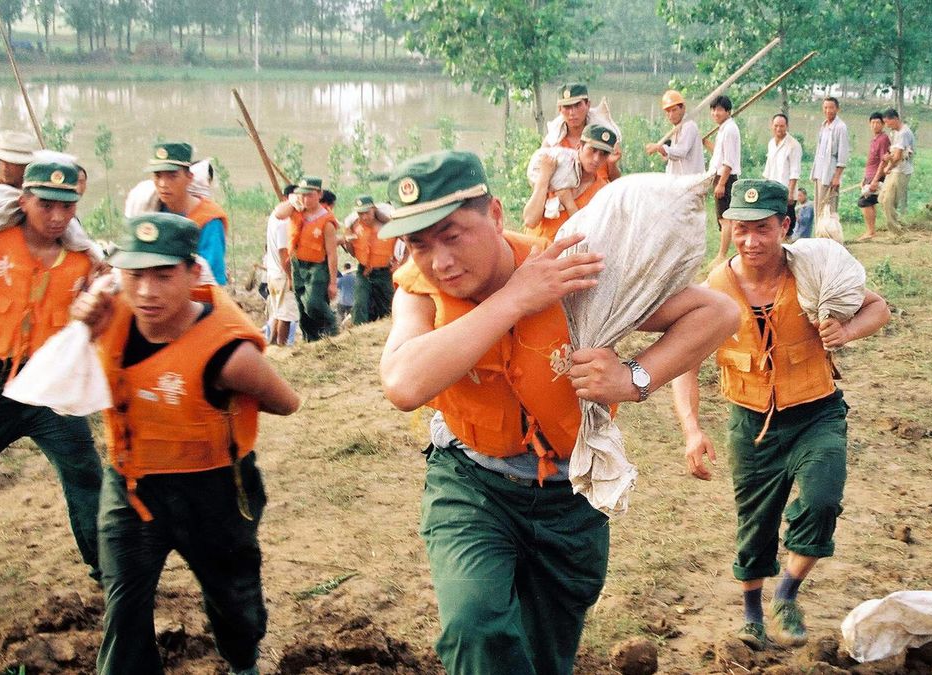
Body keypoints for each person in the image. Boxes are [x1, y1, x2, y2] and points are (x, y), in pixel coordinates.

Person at [379, 150, 739, 675]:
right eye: (419, 244)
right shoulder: (419, 292)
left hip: (571, 496)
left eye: (452, 236)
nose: (440, 261)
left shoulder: (567, 268)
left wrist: (633, 378)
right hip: (473, 482)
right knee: (474, 626)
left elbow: (719, 311)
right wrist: (513, 300)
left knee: (548, 655)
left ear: (496, 216)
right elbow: (403, 382)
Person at [72, 213, 300, 675]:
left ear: (194, 273)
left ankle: (243, 664)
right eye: (135, 275)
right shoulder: (106, 319)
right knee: (124, 607)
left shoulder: (229, 353)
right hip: (132, 489)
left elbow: (286, 402)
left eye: (163, 275)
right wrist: (80, 329)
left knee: (234, 604)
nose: (147, 292)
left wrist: (220, 396)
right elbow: (61, 376)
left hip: (214, 493)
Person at [672, 179, 891, 651]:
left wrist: (846, 330)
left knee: (821, 502)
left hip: (817, 413)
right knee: (755, 523)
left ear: (785, 227)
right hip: (751, 424)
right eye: (741, 229)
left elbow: (878, 307)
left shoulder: (813, 272)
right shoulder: (714, 291)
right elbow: (683, 362)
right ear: (727, 228)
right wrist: (692, 429)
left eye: (764, 229)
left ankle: (788, 591)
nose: (752, 241)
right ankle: (752, 613)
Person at [0, 160, 103, 580]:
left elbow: (103, 319)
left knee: (85, 472)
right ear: (23, 200)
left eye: (67, 207)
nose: (56, 217)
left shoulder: (82, 260)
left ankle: (106, 568)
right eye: (45, 205)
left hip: (49, 387)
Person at [146, 142, 230, 285]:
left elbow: (212, 280)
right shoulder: (150, 210)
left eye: (172, 176)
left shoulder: (208, 221)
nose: (163, 184)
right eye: (158, 175)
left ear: (189, 177)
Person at [272, 176, 339, 341]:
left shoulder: (326, 221)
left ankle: (333, 325)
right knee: (302, 306)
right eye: (302, 195)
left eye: (310, 195)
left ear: (319, 194)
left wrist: (332, 282)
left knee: (313, 303)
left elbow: (332, 253)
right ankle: (311, 340)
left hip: (317, 267)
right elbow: (279, 214)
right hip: (298, 265)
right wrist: (292, 200)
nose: (306, 199)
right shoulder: (296, 211)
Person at [523, 123, 616, 242]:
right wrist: (544, 176)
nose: (596, 159)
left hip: (567, 256)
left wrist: (568, 203)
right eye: (592, 150)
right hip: (534, 248)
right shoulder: (557, 170)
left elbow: (589, 236)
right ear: (579, 147)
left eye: (603, 154)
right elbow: (530, 220)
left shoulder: (603, 191)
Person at [543, 83, 622, 181]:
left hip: (602, 193)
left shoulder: (603, 136)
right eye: (567, 107)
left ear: (588, 105)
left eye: (577, 105)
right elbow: (540, 178)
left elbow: (616, 181)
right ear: (559, 109)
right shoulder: (553, 141)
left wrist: (612, 164)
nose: (572, 113)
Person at [346, 195, 397, 324]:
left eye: (367, 213)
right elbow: (352, 251)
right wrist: (348, 242)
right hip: (364, 271)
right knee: (360, 303)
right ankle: (358, 335)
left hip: (385, 272)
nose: (364, 217)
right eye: (360, 213)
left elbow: (406, 243)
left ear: (374, 209)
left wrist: (401, 263)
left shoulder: (388, 225)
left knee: (387, 307)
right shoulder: (355, 226)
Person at [704, 95, 741, 262]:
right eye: (713, 110)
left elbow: (729, 162)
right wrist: (706, 143)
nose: (715, 113)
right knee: (724, 219)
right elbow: (720, 155)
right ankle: (729, 253)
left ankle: (722, 255)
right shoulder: (723, 129)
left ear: (728, 111)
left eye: (719, 109)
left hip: (726, 177)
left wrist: (721, 184)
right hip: (721, 175)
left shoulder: (730, 129)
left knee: (725, 219)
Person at [264, 185, 299, 345]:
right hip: (281, 274)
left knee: (278, 313)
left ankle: (272, 344)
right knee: (286, 316)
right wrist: (290, 276)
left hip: (273, 273)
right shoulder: (284, 221)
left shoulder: (273, 216)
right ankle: (281, 346)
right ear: (286, 199)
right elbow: (283, 251)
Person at [644, 89, 705, 175]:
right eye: (668, 112)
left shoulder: (689, 126)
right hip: (679, 181)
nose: (671, 115)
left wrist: (660, 148)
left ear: (683, 108)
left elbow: (681, 151)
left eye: (674, 110)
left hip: (690, 181)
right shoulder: (677, 127)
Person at [809, 97, 850, 220]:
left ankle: (830, 236)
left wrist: (837, 177)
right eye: (825, 107)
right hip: (820, 172)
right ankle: (819, 235)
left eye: (831, 107)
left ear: (837, 109)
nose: (828, 110)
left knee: (829, 208)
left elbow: (842, 155)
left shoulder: (841, 127)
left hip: (830, 173)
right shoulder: (824, 125)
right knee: (819, 206)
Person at [761, 113, 802, 232]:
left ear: (787, 126)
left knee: (786, 224)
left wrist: (789, 192)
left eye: (782, 126)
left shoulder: (793, 145)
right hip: (772, 189)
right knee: (772, 222)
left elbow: (795, 171)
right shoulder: (771, 143)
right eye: (776, 126)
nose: (778, 129)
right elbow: (768, 169)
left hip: (786, 191)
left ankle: (787, 245)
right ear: (771, 126)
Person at [856, 112, 892, 241]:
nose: (875, 125)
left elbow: (884, 160)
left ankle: (871, 232)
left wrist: (876, 180)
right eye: (872, 122)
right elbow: (872, 160)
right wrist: (864, 179)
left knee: (864, 201)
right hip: (870, 175)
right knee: (870, 202)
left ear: (883, 124)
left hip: (876, 176)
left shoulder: (883, 139)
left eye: (878, 122)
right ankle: (871, 230)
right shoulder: (875, 139)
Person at [879, 108, 915, 236]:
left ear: (895, 119)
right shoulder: (896, 133)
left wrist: (888, 167)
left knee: (888, 201)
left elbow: (898, 156)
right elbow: (894, 153)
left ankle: (896, 232)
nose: (887, 125)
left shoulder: (904, 133)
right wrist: (888, 158)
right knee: (882, 198)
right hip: (895, 170)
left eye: (887, 122)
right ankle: (896, 224)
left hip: (901, 171)